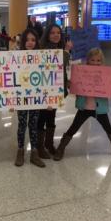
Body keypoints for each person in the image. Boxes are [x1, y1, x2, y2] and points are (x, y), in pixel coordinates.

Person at [54, 48, 111, 160]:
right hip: (84, 108)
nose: (95, 63)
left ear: (102, 62)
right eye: (92, 60)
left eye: (98, 60)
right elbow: (75, 86)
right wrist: (70, 83)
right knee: (73, 128)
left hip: (100, 110)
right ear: (88, 61)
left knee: (109, 129)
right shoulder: (82, 72)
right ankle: (61, 148)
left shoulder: (105, 74)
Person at [37, 24, 72, 159]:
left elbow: (61, 70)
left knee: (51, 117)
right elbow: (59, 62)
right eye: (52, 33)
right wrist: (67, 51)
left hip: (56, 90)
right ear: (47, 35)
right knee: (43, 118)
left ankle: (48, 143)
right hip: (44, 91)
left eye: (58, 32)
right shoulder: (45, 50)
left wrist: (66, 81)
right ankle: (41, 146)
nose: (56, 35)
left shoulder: (59, 48)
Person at [14, 29, 45, 168]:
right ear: (22, 42)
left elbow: (47, 79)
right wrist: (9, 100)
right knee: (21, 125)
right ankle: (20, 150)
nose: (30, 43)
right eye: (27, 40)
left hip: (35, 97)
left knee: (33, 125)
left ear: (37, 42)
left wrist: (49, 99)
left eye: (33, 40)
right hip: (21, 98)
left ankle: (34, 152)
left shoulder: (43, 57)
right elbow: (10, 79)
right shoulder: (16, 57)